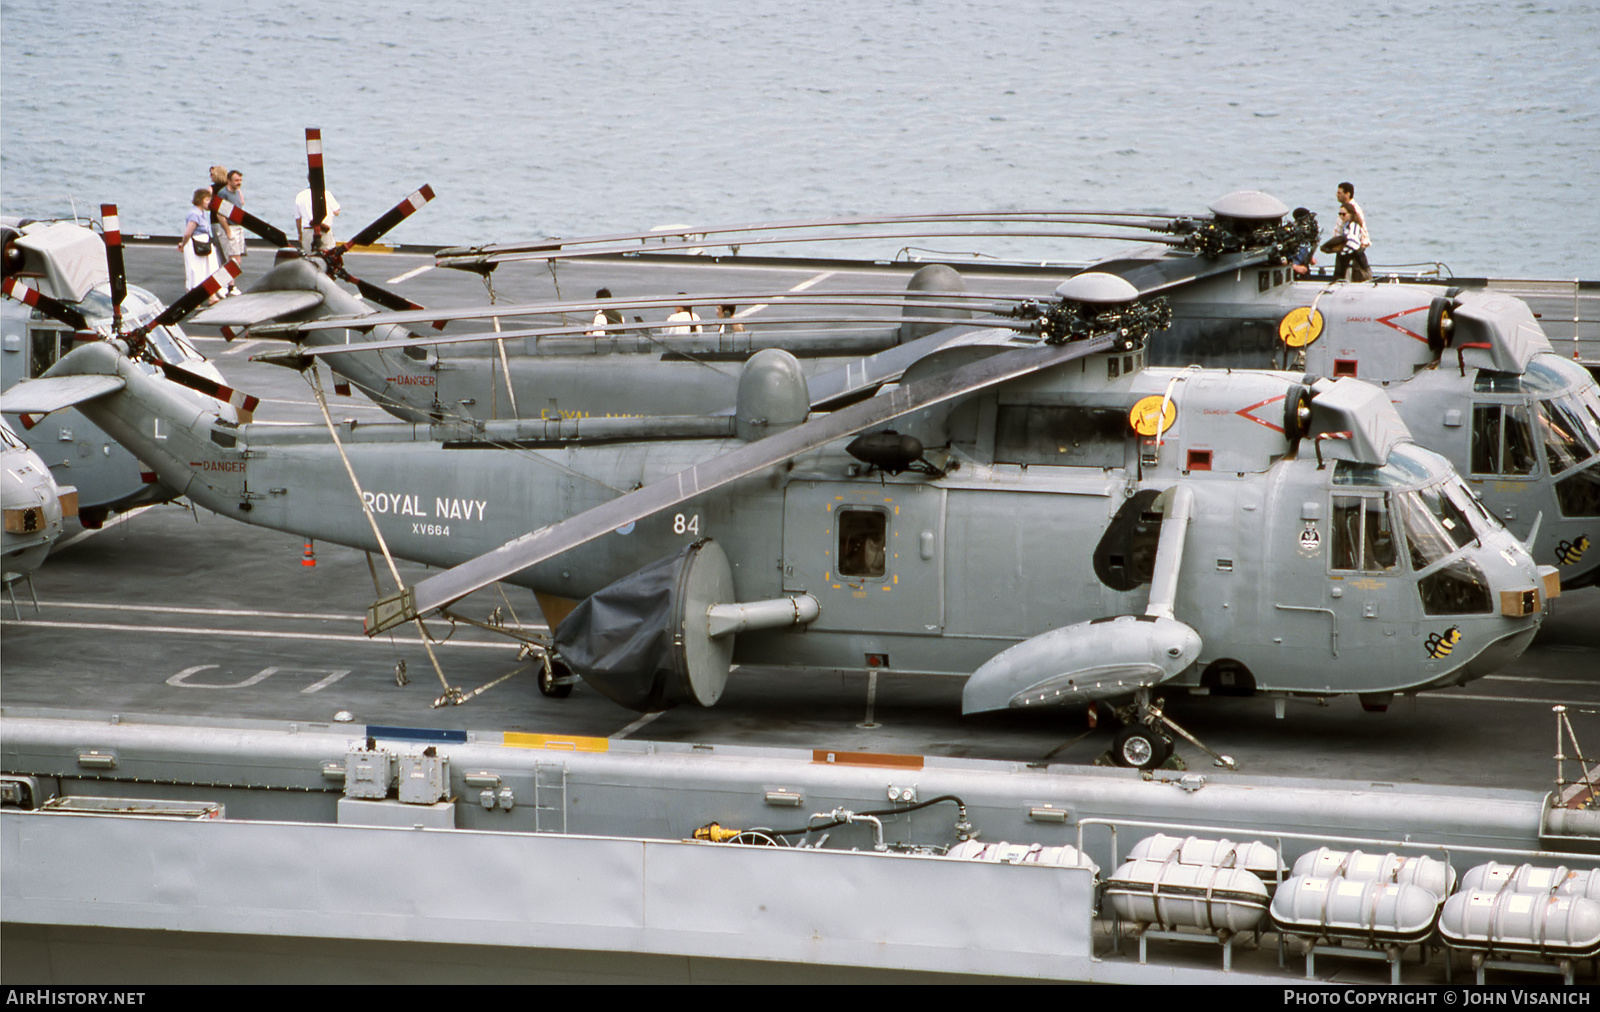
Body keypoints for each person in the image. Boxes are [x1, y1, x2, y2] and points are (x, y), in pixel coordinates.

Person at [178, 188, 220, 300]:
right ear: (200, 200)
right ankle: (195, 296)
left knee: (207, 269)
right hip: (195, 245)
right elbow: (188, 233)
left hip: (203, 243)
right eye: (207, 200)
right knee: (196, 270)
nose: (209, 203)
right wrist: (183, 244)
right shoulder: (194, 214)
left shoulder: (202, 213)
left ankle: (209, 294)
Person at [1330, 205, 1372, 282]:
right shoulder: (1345, 225)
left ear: (1351, 214)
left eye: (1344, 214)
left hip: (1352, 258)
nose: (1341, 217)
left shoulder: (1354, 225)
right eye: (1340, 214)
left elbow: (1352, 242)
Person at [294, 186, 341, 252]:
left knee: (309, 257)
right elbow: (336, 212)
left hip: (308, 231)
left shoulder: (300, 196)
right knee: (328, 255)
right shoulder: (326, 194)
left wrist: (300, 233)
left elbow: (298, 218)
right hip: (325, 230)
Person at [1288, 207, 1317, 277]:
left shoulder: (1305, 234)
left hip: (1304, 268)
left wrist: (1309, 258)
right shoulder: (1291, 234)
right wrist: (1295, 267)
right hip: (1292, 272)